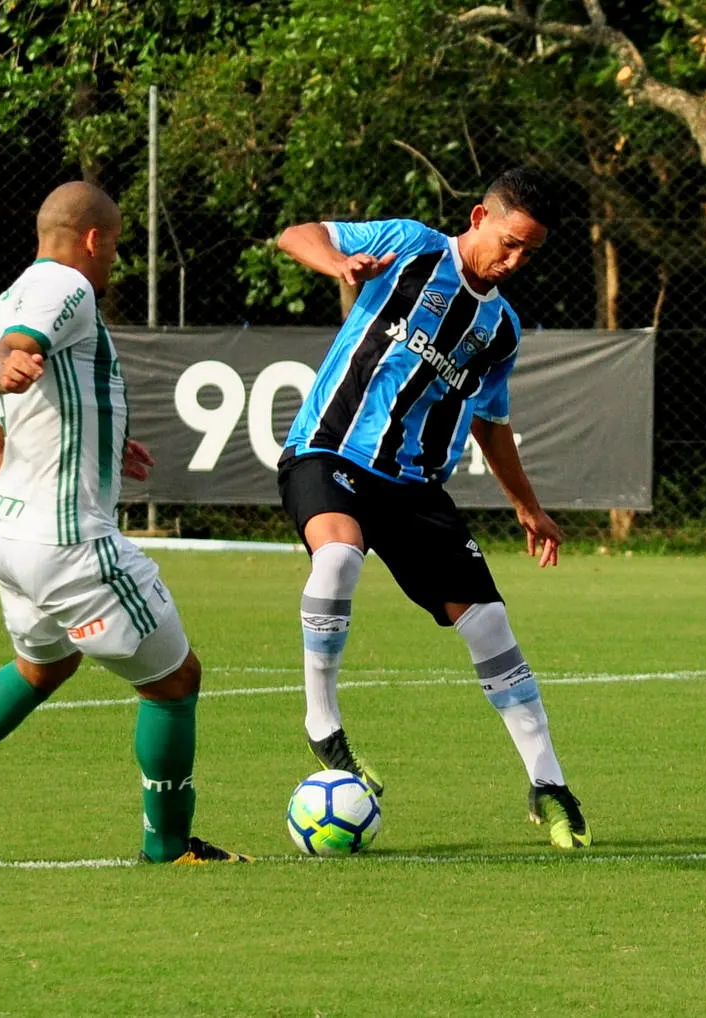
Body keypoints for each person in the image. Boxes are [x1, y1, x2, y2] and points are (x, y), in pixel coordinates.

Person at [0, 181, 249, 865]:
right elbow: (8, 356)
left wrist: (98, 437)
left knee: (41, 667)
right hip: (69, 540)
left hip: (11, 537)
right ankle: (168, 848)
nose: (113, 264)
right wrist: (0, 363)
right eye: (115, 249)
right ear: (93, 239)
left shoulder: (8, 297)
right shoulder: (66, 290)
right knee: (175, 681)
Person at [273, 166, 590, 849]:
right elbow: (295, 233)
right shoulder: (412, 246)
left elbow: (491, 422)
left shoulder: (500, 330)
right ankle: (322, 725)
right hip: (329, 452)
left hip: (414, 487)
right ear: (479, 217)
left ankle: (550, 786)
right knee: (337, 557)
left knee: (492, 627)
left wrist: (528, 508)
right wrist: (337, 262)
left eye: (529, 252)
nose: (514, 261)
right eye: (508, 242)